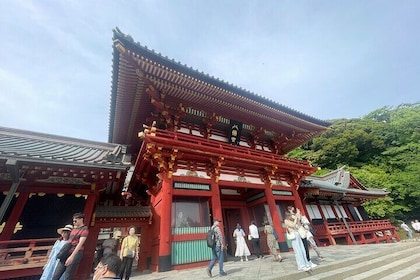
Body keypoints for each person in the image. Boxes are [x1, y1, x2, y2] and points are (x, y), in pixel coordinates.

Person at [52, 212, 89, 280]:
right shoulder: (74, 229)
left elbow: (80, 244)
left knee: (68, 275)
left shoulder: (84, 229)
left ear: (81, 219)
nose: (74, 222)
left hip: (76, 252)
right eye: (73, 220)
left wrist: (72, 256)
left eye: (76, 220)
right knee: (56, 274)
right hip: (66, 252)